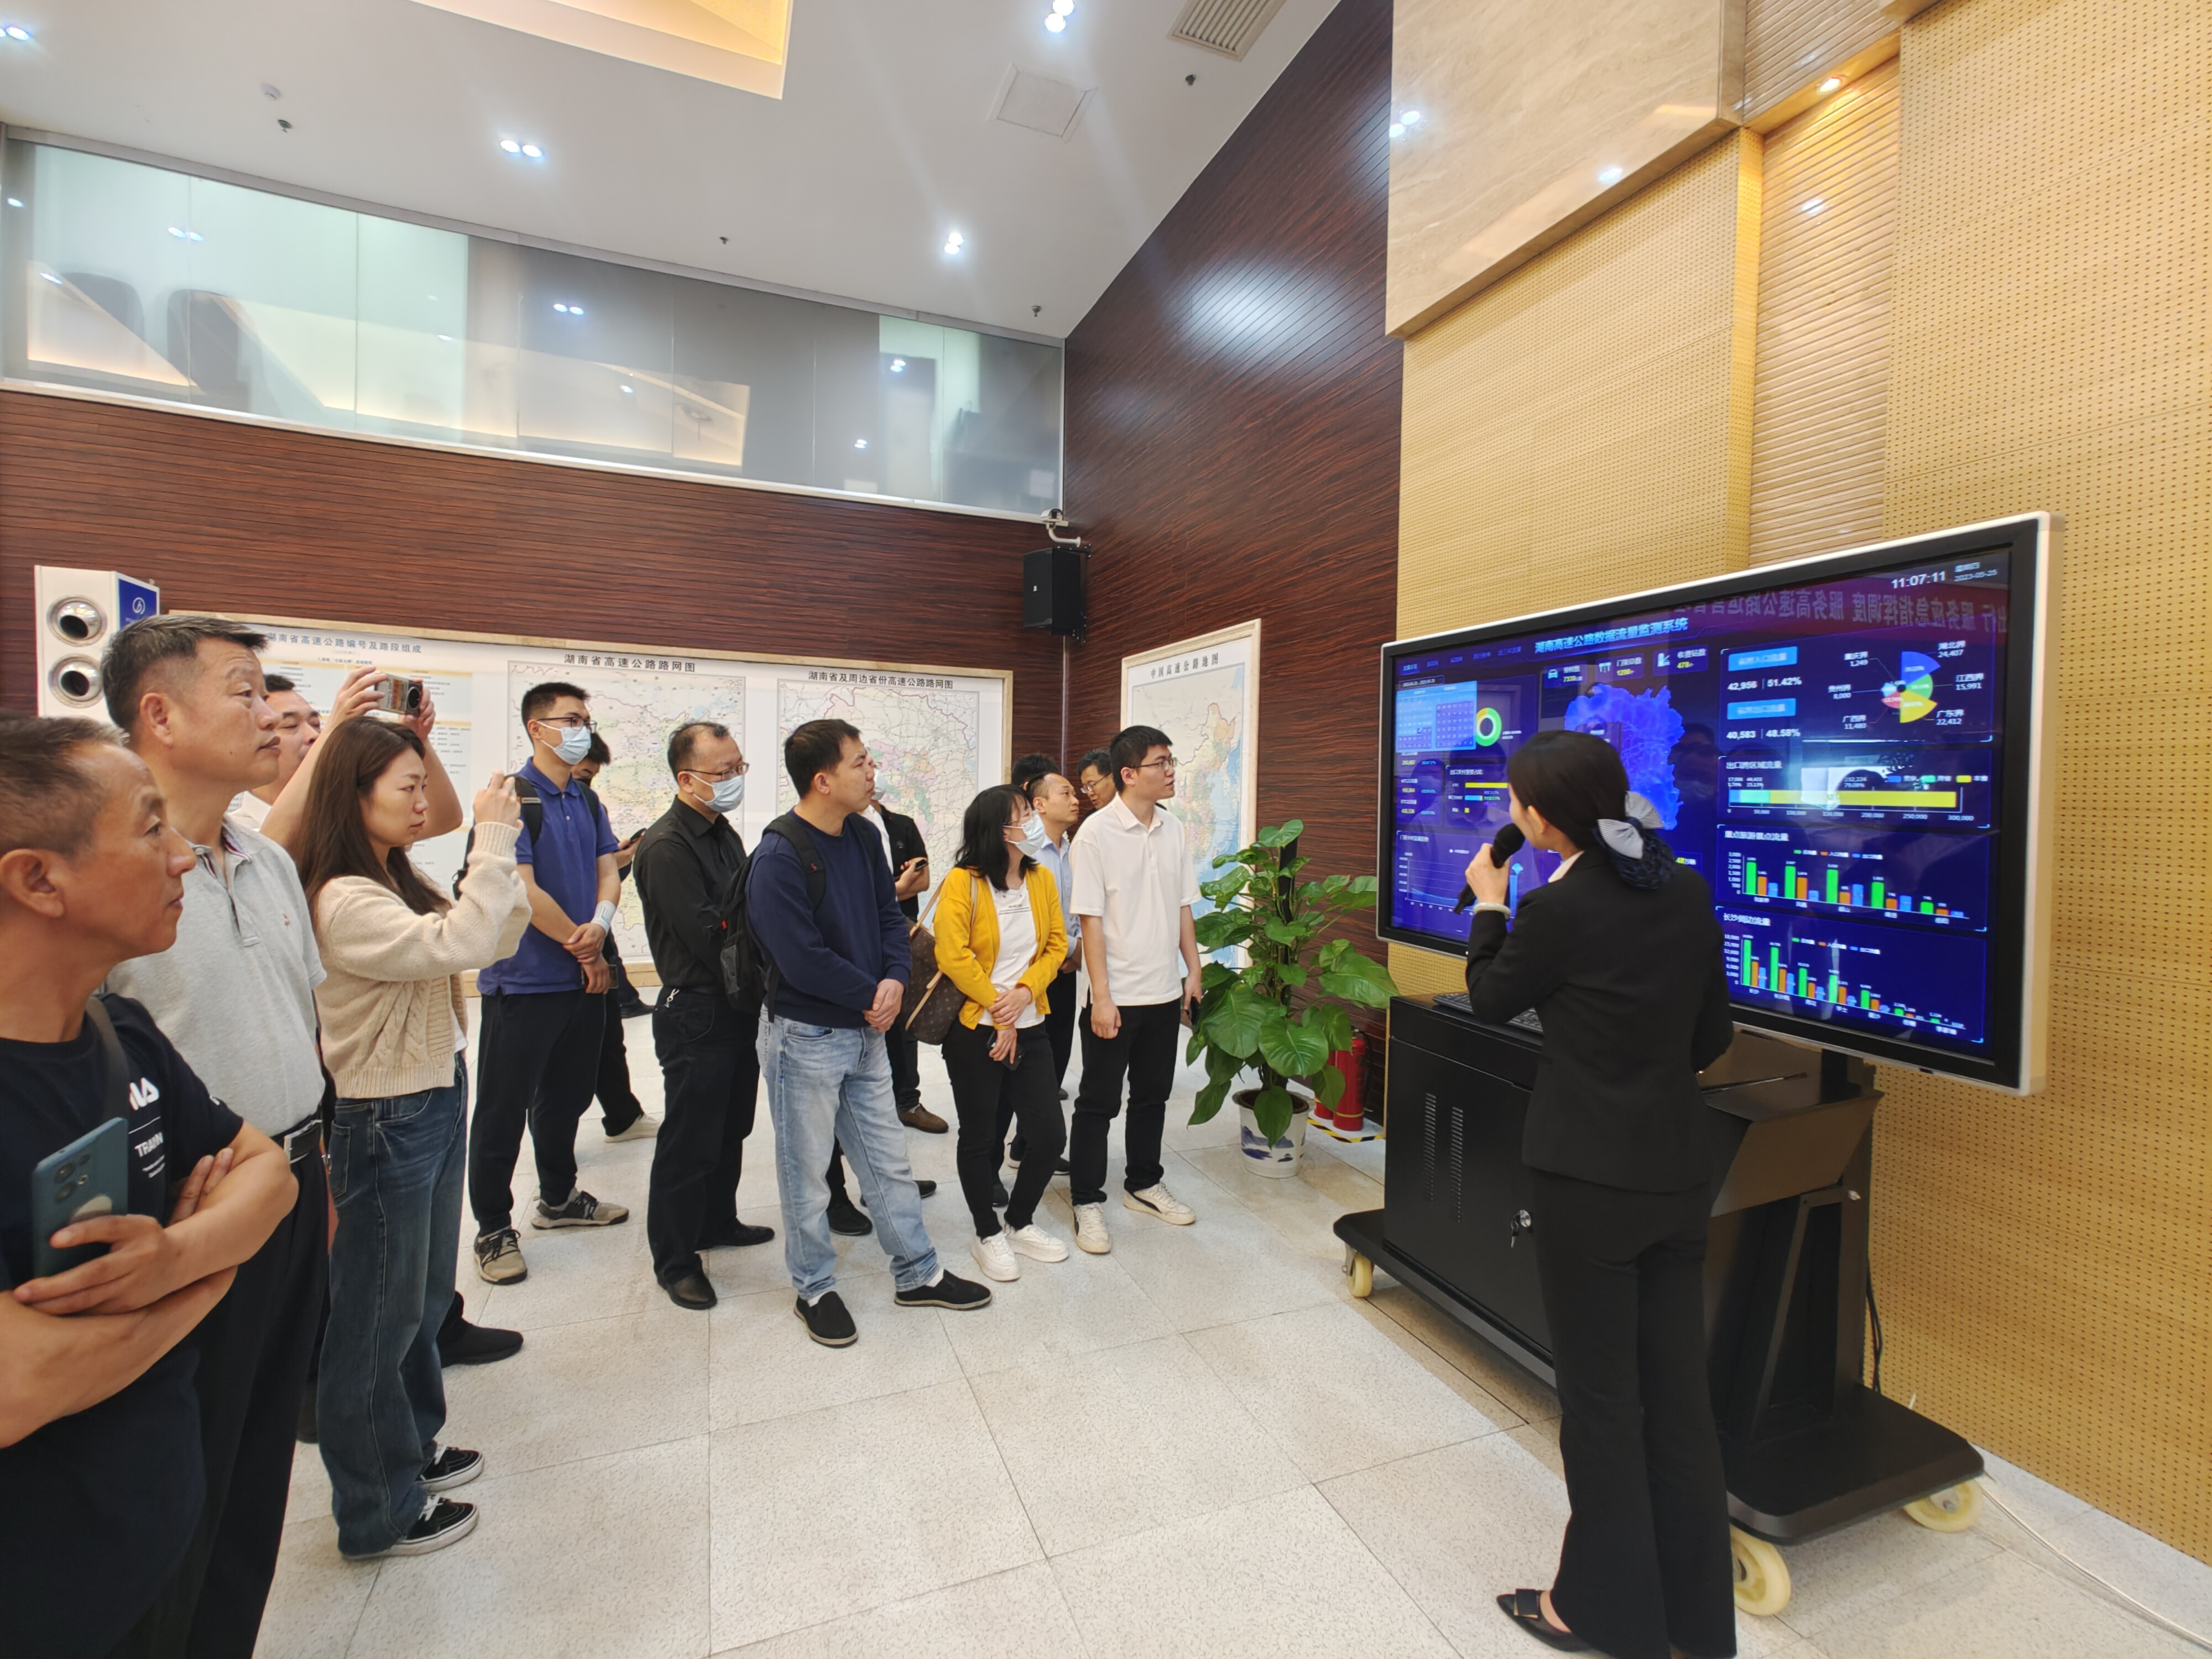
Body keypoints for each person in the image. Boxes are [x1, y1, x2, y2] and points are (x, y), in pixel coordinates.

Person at [0, 711, 295, 1659]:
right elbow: (20, 1384)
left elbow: (267, 1174)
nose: (181, 859)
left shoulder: (120, 1034)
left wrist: (172, 1254)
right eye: (149, 828)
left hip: (152, 1540)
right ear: (38, 879)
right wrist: (205, 1280)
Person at [1459, 729, 1736, 1659]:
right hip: (1678, 1169)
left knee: (1604, 1404)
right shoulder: (1684, 887)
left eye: (1515, 803)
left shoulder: (1556, 907)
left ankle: (1601, 1612)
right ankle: (1696, 1623)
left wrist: (1489, 904)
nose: (1512, 814)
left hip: (1588, 1180)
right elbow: (1709, 1038)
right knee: (1678, 1400)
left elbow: (1490, 997)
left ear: (1539, 820)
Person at [99, 615, 341, 1659]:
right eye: (244, 692)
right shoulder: (113, 873)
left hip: (291, 1177)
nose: (270, 715)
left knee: (256, 1466)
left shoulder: (265, 858)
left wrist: (316, 1169)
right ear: (159, 714)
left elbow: (300, 1027)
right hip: (181, 1209)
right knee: (176, 1484)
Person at [295, 718, 534, 1560]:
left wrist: (503, 860)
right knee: (376, 1319)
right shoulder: (342, 896)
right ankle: (378, 1510)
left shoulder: (393, 875)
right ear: (354, 795)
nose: (423, 800)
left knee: (424, 1299)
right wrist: (491, 843)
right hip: (385, 1114)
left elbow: (495, 935)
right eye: (407, 786)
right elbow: (460, 942)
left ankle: (413, 1448)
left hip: (431, 1092)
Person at [750, 719, 991, 1347]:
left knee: (888, 1163)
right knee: (805, 1173)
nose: (871, 771)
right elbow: (800, 959)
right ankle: (813, 1288)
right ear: (822, 780)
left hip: (867, 1032)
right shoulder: (778, 856)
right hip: (805, 1038)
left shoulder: (862, 833)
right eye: (859, 762)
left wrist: (893, 978)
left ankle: (918, 1272)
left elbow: (890, 914)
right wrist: (873, 993)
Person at [468, 682, 629, 1287]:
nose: (583, 729)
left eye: (587, 720)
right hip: (524, 981)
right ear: (537, 728)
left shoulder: (586, 799)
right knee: (502, 1109)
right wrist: (581, 943)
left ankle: (559, 1199)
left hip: (579, 978)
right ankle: (492, 1227)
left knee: (567, 1098)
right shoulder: (512, 798)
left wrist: (600, 927)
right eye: (572, 719)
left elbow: (608, 870)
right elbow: (521, 888)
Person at [630, 721, 776, 1312]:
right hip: (697, 1010)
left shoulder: (722, 832)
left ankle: (717, 1221)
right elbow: (711, 936)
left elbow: (743, 909)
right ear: (687, 779)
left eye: (740, 767)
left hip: (737, 1005)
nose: (736, 779)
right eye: (724, 772)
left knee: (731, 1128)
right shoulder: (667, 847)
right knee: (689, 1142)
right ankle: (675, 1260)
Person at [1066, 725, 1202, 1255]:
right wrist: (1101, 996)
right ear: (1128, 774)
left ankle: (1144, 1183)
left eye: (1171, 761)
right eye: (1160, 763)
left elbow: (1183, 905)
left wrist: (1193, 971)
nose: (1170, 771)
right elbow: (1091, 921)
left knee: (1152, 1096)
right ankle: (1085, 1199)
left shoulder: (1173, 829)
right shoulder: (1095, 834)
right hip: (1116, 996)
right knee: (1098, 1101)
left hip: (1163, 991)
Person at [931, 785, 1072, 1281]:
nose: (1033, 819)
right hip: (976, 1031)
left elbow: (1056, 946)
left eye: (1031, 811)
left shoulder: (1040, 878)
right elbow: (953, 955)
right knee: (980, 1135)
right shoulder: (963, 882)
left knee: (1048, 1136)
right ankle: (986, 1232)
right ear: (997, 829)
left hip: (1031, 1025)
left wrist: (1025, 994)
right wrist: (1000, 1009)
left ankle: (1019, 1222)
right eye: (1023, 814)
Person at [570, 735, 659, 1137]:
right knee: (564, 1054)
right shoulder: (530, 807)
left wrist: (616, 863)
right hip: (569, 944)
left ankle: (622, 1116)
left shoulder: (590, 807)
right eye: (583, 776)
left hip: (595, 936)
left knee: (607, 1035)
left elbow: (600, 879)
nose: (585, 784)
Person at [224, 675, 317, 834]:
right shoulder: (231, 837)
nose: (314, 735)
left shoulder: (344, 823)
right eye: (290, 726)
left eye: (315, 724)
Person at [1075, 748, 1116, 816]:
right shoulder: (1091, 819)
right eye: (1086, 788)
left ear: (1113, 779)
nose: (1089, 793)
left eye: (1092, 785)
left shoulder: (1134, 810)